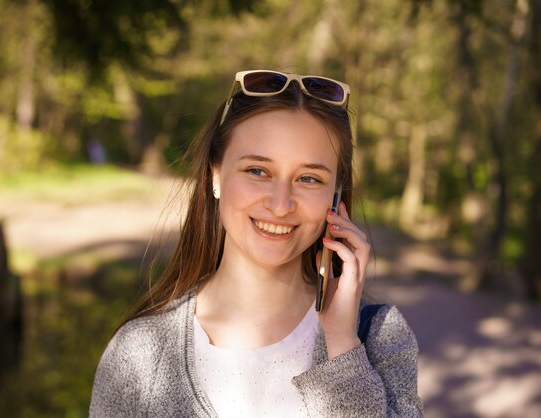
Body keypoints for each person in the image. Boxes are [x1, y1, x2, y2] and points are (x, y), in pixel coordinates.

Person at [90, 70, 423, 417]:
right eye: (258, 171)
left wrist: (342, 346)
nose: (280, 205)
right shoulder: (138, 354)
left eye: (309, 178)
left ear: (336, 194)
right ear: (215, 177)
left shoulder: (380, 339)